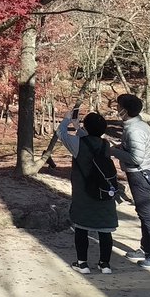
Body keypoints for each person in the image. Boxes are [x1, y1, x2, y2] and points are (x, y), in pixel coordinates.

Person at [109, 93, 150, 269]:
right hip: (141, 173)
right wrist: (120, 147)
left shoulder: (134, 129)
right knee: (143, 213)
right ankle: (146, 248)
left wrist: (112, 151)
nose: (116, 109)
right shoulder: (137, 125)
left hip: (139, 175)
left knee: (147, 215)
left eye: (118, 106)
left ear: (125, 110)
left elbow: (136, 158)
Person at [57, 109, 118, 275]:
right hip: (105, 191)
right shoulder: (105, 145)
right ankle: (105, 264)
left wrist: (67, 118)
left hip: (84, 192)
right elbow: (80, 134)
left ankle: (82, 263)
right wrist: (76, 125)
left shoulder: (79, 145)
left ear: (86, 127)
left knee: (81, 227)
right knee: (105, 229)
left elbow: (62, 133)